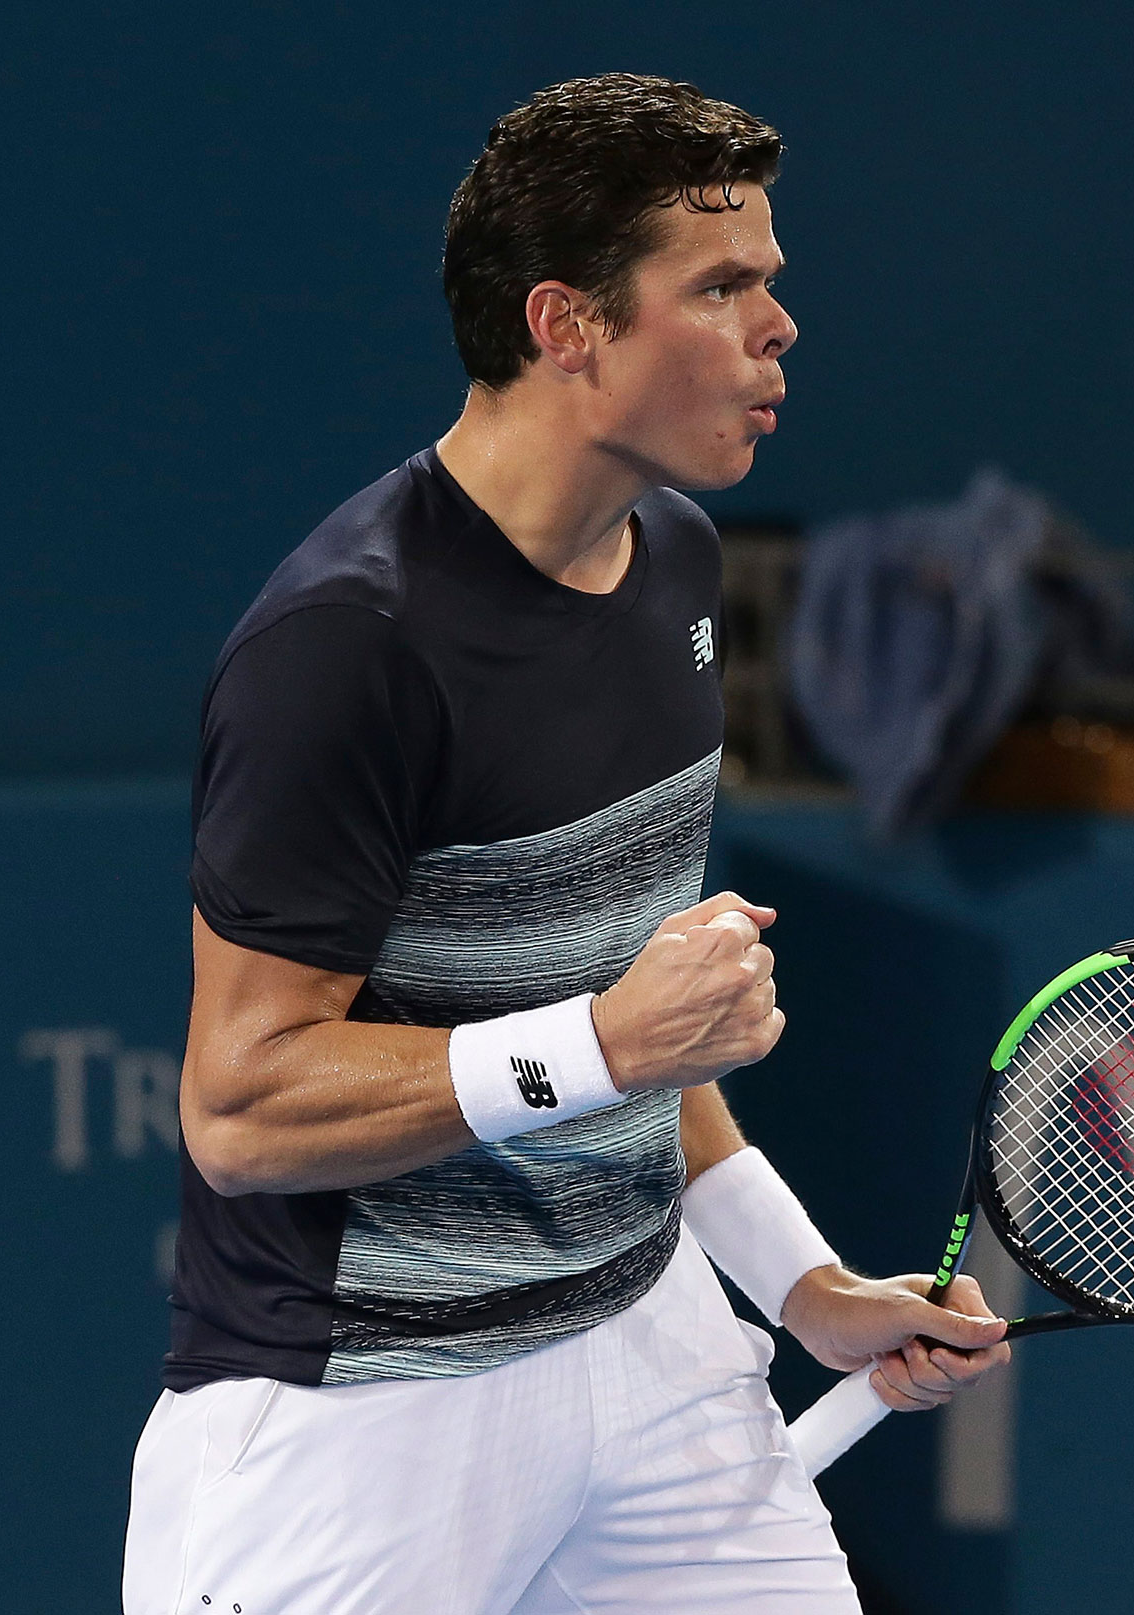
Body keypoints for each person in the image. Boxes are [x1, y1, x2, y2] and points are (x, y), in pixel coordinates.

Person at [122, 71, 1010, 1615]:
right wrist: (597, 1044)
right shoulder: (347, 648)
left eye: (769, 286)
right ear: (567, 324)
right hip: (367, 1407)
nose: (776, 329)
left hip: (644, 1341)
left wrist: (798, 1286)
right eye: (720, 288)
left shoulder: (676, 557)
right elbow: (242, 1107)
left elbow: (646, 1042)